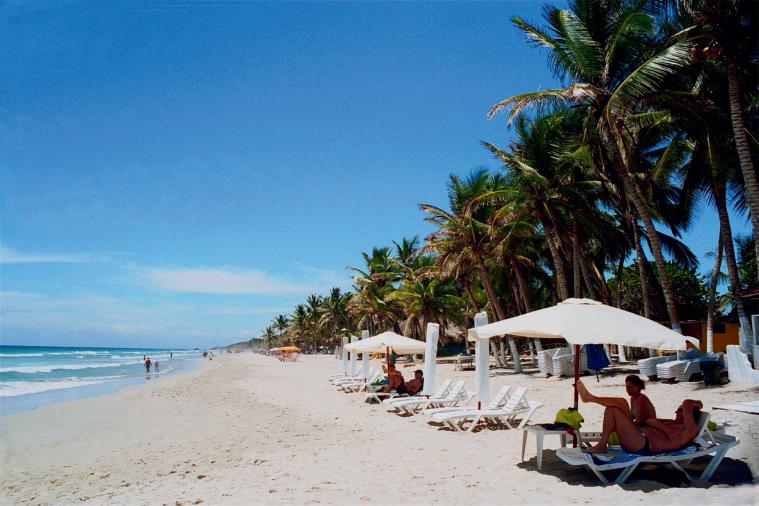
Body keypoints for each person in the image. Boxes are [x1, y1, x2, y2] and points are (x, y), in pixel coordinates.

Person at [583, 398, 703, 454]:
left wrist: (698, 404)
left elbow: (687, 403)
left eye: (680, 410)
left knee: (613, 410)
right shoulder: (673, 423)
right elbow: (650, 421)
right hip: (639, 436)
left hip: (642, 444)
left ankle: (602, 445)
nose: (676, 412)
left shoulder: (688, 430)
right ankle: (590, 398)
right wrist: (659, 425)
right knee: (621, 402)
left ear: (689, 415)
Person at [576, 375, 656, 427]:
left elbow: (640, 421)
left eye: (630, 387)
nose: (627, 390)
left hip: (646, 430)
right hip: (639, 427)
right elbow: (632, 416)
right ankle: (590, 398)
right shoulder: (633, 399)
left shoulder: (642, 398)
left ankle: (590, 398)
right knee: (612, 409)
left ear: (638, 387)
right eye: (626, 387)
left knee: (622, 402)